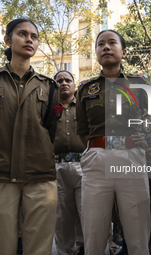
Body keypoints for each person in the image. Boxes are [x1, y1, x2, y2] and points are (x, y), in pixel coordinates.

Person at [0, 18, 59, 255]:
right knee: (0, 245)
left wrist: (41, 153)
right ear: (7, 40)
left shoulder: (48, 86)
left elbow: (52, 128)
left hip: (40, 176)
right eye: (22, 34)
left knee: (39, 246)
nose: (29, 39)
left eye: (34, 36)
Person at [76, 29, 151, 255]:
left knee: (137, 231)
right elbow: (82, 131)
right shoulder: (85, 89)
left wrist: (148, 139)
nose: (106, 47)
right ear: (97, 52)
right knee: (94, 232)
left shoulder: (140, 85)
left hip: (131, 157)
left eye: (112, 43)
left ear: (124, 51)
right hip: (97, 159)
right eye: (100, 44)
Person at [53, 70, 86, 255]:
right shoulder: (48, 109)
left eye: (68, 80)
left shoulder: (83, 106)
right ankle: (65, 252)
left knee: (88, 214)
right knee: (62, 218)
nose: (64, 83)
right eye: (59, 81)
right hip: (57, 168)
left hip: (83, 165)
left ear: (74, 84)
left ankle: (89, 249)